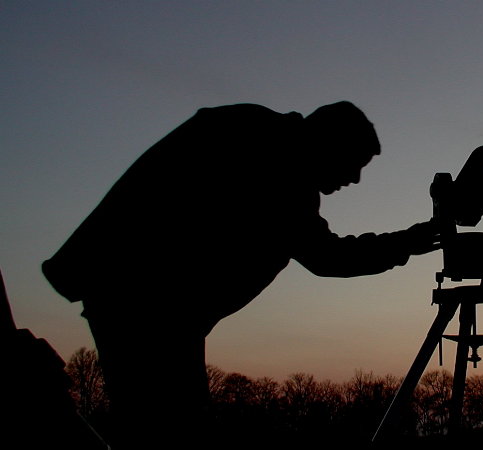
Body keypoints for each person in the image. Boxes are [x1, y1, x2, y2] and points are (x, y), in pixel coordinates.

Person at [42, 101, 441, 448]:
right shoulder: (274, 157)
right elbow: (328, 257)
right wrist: (409, 241)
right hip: (145, 302)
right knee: (169, 434)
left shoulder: (263, 139)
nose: (353, 179)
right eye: (354, 164)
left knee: (163, 430)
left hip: (146, 301)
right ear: (329, 141)